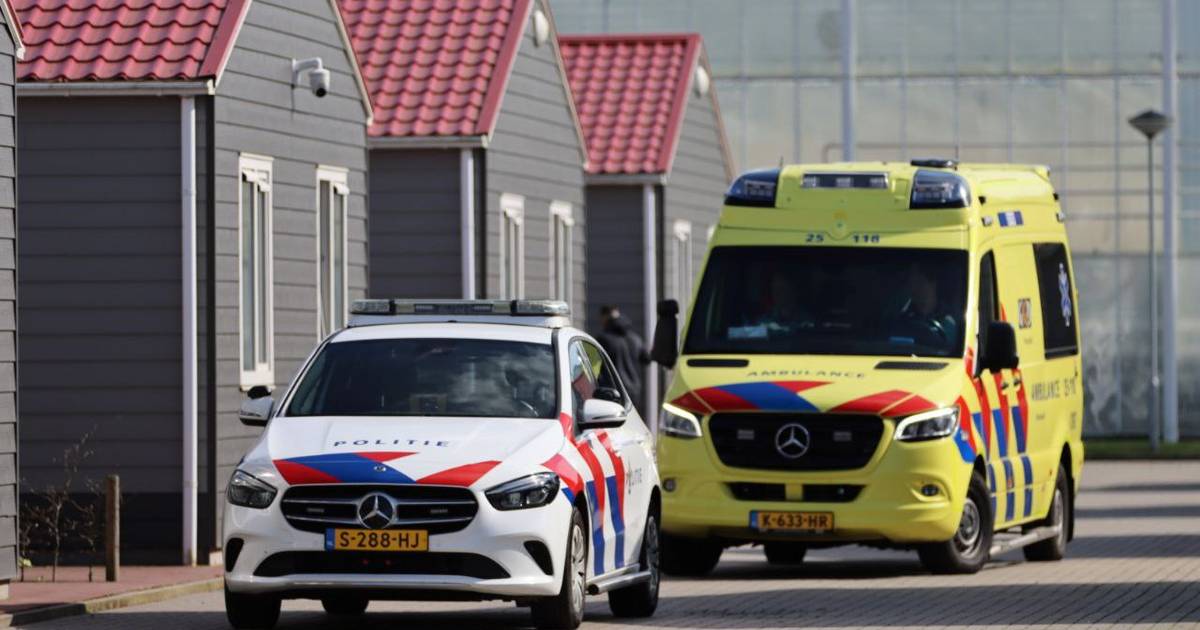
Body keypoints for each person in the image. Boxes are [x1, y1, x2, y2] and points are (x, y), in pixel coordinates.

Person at [595, 305, 651, 413]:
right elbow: (647, 359)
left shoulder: (603, 339)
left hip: (612, 392)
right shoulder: (636, 338)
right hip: (634, 391)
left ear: (604, 317)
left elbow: (593, 367)